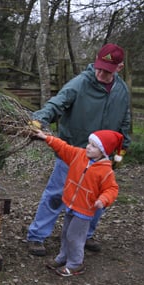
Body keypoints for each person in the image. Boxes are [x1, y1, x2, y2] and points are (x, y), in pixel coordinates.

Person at [27, 43, 131, 256]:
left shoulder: (122, 91)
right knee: (56, 195)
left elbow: (125, 122)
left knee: (96, 200)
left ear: (119, 68)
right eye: (99, 67)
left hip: (102, 159)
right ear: (96, 58)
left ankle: (85, 235)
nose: (100, 73)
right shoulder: (80, 83)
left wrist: (121, 152)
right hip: (74, 152)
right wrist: (39, 120)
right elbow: (57, 103)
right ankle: (37, 236)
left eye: (107, 70)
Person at [32, 128, 123, 276]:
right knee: (66, 233)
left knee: (75, 236)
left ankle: (75, 263)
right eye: (88, 143)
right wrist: (46, 137)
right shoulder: (79, 155)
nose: (88, 147)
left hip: (85, 210)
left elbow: (112, 189)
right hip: (71, 204)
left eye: (93, 146)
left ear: (103, 151)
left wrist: (103, 199)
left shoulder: (106, 171)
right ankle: (63, 257)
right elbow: (63, 147)